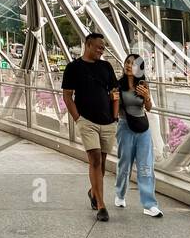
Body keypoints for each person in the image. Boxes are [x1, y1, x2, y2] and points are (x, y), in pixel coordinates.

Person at [61, 33, 119, 221]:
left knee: (101, 163)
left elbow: (115, 92)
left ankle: (93, 192)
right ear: (87, 45)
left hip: (107, 121)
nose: (101, 50)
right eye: (99, 47)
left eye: (103, 48)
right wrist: (78, 118)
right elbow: (67, 95)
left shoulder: (106, 67)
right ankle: (101, 205)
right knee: (94, 159)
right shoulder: (73, 68)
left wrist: (115, 116)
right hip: (87, 121)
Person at [115, 53, 163, 217]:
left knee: (146, 167)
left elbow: (148, 108)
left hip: (143, 129)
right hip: (125, 127)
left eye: (134, 64)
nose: (129, 65)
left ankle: (149, 204)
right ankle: (120, 194)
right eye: (127, 62)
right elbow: (114, 110)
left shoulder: (143, 84)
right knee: (125, 164)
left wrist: (147, 96)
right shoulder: (118, 85)